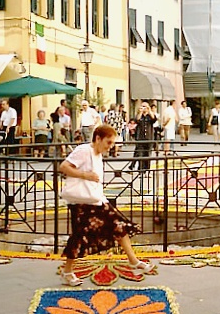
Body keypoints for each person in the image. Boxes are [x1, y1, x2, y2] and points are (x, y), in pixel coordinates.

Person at [59, 124, 156, 286]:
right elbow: (64, 166)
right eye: (108, 142)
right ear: (98, 139)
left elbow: (96, 181)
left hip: (95, 200)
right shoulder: (84, 151)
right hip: (81, 203)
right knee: (78, 236)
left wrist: (102, 198)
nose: (110, 146)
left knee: (119, 226)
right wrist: (85, 175)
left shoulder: (98, 154)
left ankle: (133, 261)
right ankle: (67, 271)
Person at [129, 102, 156, 171]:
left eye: (145, 106)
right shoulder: (138, 115)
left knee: (148, 155)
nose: (144, 108)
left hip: (149, 138)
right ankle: (140, 170)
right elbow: (136, 120)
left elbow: (154, 119)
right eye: (142, 106)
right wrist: (140, 112)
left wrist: (149, 110)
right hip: (140, 138)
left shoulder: (150, 116)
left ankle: (147, 170)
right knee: (140, 154)